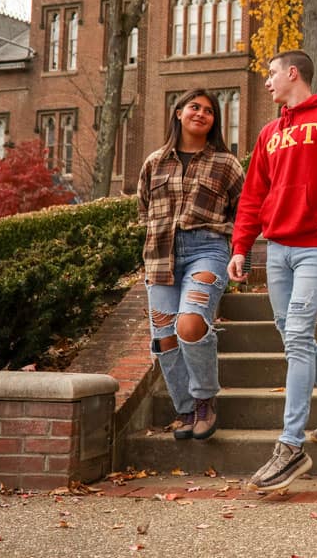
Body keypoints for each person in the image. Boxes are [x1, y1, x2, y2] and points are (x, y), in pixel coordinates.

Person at [227, 50, 317, 492]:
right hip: (277, 249)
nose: (266, 82)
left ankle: (290, 445)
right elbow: (253, 195)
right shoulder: (269, 132)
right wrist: (241, 247)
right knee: (293, 335)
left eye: (271, 74)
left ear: (293, 74)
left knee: (299, 337)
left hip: (315, 247)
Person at [138, 88, 245, 443]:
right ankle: (184, 408)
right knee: (165, 336)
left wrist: (238, 250)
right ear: (179, 112)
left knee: (190, 322)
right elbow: (144, 208)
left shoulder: (226, 164)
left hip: (207, 249)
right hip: (160, 255)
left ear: (215, 121)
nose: (201, 114)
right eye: (194, 107)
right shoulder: (154, 162)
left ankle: (203, 400)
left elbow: (242, 211)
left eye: (209, 111)